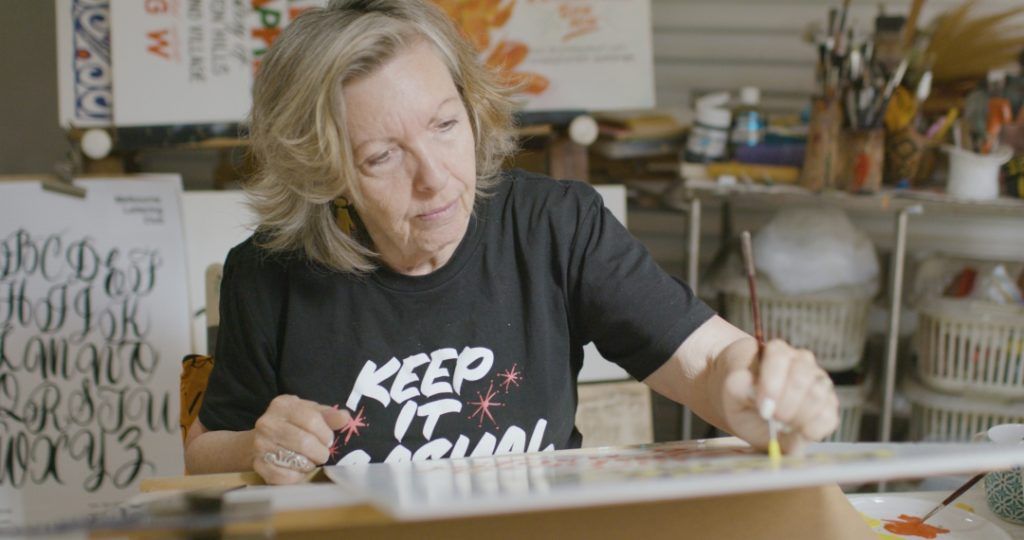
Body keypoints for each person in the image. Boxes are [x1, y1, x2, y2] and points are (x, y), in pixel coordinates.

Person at [184, 0, 839, 485]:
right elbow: (205, 448)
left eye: (445, 125)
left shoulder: (555, 226)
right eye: (382, 156)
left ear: (472, 109)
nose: (435, 178)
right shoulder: (268, 273)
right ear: (326, 174)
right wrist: (255, 447)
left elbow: (704, 362)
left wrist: (755, 387)